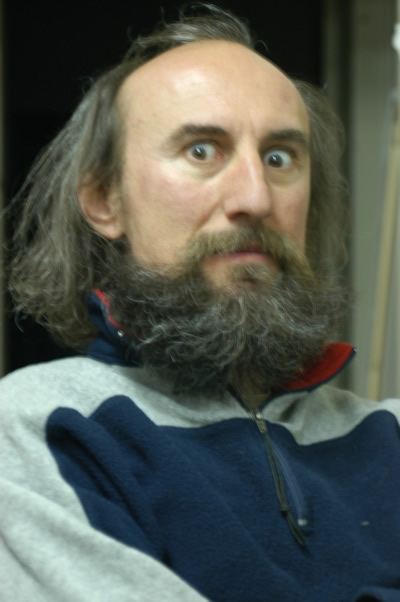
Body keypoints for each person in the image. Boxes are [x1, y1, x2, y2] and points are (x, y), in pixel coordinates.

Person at [1, 4, 399, 601]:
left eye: (278, 158)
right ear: (106, 201)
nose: (256, 198)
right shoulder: (41, 430)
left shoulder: (388, 434)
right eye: (202, 151)